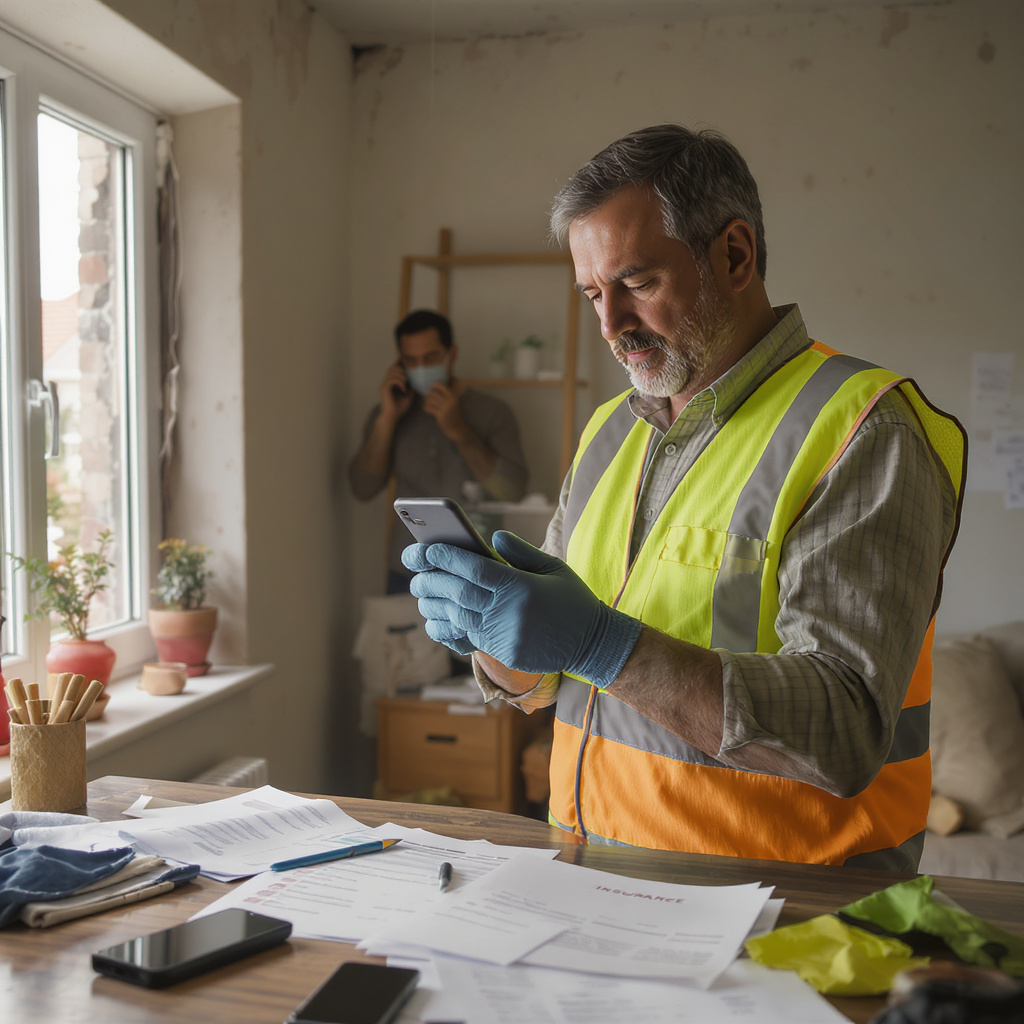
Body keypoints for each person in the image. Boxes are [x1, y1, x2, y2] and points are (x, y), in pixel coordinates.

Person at [401, 125, 966, 870]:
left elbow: (843, 726)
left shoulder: (865, 427)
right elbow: (554, 682)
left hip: (786, 925)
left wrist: (599, 644)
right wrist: (496, 641)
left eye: (636, 283)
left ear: (735, 255)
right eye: (593, 294)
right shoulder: (609, 432)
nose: (609, 326)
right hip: (595, 885)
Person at [349, 309, 528, 592]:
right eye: (411, 361)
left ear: (451, 354)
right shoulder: (388, 414)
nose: (420, 367)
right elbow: (362, 488)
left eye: (430, 358)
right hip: (408, 569)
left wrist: (460, 431)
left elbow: (513, 491)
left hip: (480, 571)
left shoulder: (492, 412)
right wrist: (387, 418)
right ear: (400, 363)